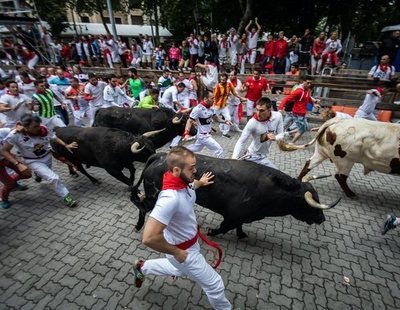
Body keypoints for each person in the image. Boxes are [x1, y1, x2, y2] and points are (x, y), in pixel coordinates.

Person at [133, 146, 231, 310]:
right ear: (177, 170)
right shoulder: (169, 198)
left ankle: (142, 267)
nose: (196, 170)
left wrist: (201, 182)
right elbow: (149, 237)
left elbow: (192, 187)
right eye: (191, 168)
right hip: (183, 251)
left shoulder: (184, 183)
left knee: (178, 270)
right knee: (215, 284)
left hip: (189, 244)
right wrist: (178, 253)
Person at [0, 114, 78, 207]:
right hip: (33, 161)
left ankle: (38, 174)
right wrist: (17, 164)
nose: (38, 128)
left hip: (47, 156)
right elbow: (4, 151)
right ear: (26, 127)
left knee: (47, 173)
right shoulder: (15, 135)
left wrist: (65, 145)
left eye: (39, 125)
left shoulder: (42, 129)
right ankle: (66, 196)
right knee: (53, 178)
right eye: (35, 127)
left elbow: (53, 137)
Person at [232, 97, 284, 169]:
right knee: (277, 175)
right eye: (257, 110)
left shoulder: (278, 116)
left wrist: (275, 138)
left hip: (264, 156)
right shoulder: (252, 122)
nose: (258, 113)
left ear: (269, 110)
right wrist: (233, 160)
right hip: (252, 156)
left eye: (262, 111)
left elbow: (281, 134)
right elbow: (241, 141)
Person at [183, 91, 225, 158]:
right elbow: (190, 120)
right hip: (204, 136)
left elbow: (217, 119)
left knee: (197, 148)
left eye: (214, 98)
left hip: (205, 134)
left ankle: (181, 152)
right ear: (205, 98)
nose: (214, 100)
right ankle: (220, 166)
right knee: (219, 150)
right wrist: (186, 133)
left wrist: (225, 121)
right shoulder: (198, 109)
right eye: (212, 98)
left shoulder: (212, 107)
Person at [278, 79, 320, 143]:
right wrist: (280, 108)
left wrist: (314, 104)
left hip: (302, 114)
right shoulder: (299, 91)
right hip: (298, 114)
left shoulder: (306, 91)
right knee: (302, 129)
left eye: (310, 83)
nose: (309, 85)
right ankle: (291, 142)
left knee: (304, 127)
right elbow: (287, 98)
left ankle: (286, 134)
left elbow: (308, 98)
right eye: (308, 83)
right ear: (303, 82)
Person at [0, 127, 31, 209]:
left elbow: (15, 129)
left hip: (7, 157)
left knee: (27, 174)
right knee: (9, 184)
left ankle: (14, 185)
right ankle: (4, 199)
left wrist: (21, 128)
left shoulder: (2, 131)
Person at [213, 73, 246, 137]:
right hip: (217, 106)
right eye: (221, 80)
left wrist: (241, 98)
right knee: (211, 118)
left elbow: (234, 93)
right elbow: (215, 97)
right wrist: (213, 105)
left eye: (224, 80)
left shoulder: (229, 85)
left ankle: (225, 133)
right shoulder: (217, 86)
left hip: (224, 106)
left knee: (228, 118)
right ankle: (207, 130)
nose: (222, 81)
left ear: (226, 79)